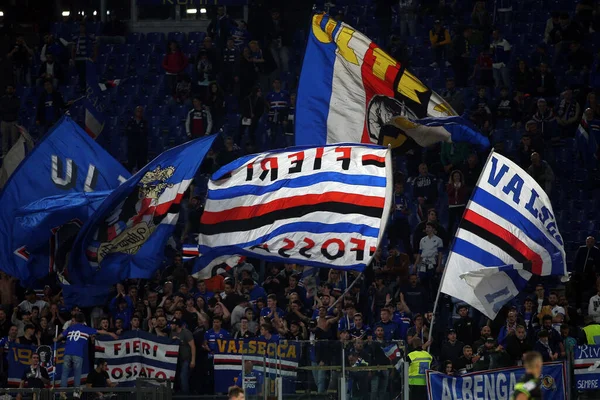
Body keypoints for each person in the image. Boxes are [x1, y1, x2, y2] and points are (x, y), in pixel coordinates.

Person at [55, 313, 117, 393]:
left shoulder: (71, 328)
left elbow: (61, 335)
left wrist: (56, 339)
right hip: (77, 354)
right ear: (83, 321)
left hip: (67, 353)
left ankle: (62, 392)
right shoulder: (86, 329)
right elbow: (99, 331)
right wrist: (110, 333)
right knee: (77, 373)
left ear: (76, 320)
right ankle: (76, 393)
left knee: (65, 373)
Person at [170, 318, 196, 393]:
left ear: (177, 325)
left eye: (172, 324)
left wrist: (193, 360)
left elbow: (193, 346)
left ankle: (186, 396)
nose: (171, 325)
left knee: (183, 377)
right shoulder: (172, 332)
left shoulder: (186, 333)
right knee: (178, 378)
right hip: (176, 359)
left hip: (186, 359)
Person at [71, 23, 97, 91]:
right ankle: (82, 88)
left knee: (86, 75)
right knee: (80, 75)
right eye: (80, 27)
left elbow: (94, 47)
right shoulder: (75, 37)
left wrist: (94, 57)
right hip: (78, 59)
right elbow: (73, 49)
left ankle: (86, 88)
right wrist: (73, 59)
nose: (82, 29)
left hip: (87, 59)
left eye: (83, 27)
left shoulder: (90, 36)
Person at [125, 106, 148, 172]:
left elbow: (145, 133)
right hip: (132, 147)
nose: (139, 113)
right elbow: (128, 132)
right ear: (135, 112)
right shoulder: (130, 122)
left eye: (141, 111)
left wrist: (134, 131)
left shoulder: (145, 122)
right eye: (138, 111)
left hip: (141, 147)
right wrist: (138, 131)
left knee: (141, 165)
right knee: (130, 164)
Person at [1, 84, 21, 157]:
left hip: (13, 121)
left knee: (14, 139)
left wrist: (8, 109)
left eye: (11, 88)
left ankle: (14, 154)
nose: (9, 90)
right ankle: (4, 153)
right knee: (4, 139)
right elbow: (2, 109)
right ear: (6, 90)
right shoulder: (3, 99)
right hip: (4, 121)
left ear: (13, 90)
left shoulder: (16, 99)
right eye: (8, 88)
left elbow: (16, 108)